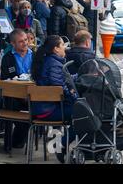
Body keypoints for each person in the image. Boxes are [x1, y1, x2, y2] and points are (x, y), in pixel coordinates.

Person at [31, 35, 78, 163]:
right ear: (56, 49)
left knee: (77, 111)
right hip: (47, 110)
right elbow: (60, 89)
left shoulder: (48, 61)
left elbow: (62, 81)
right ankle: (60, 145)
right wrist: (75, 98)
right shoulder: (54, 64)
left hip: (40, 108)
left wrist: (78, 76)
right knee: (82, 115)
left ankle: (57, 145)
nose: (65, 48)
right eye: (62, 45)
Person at [0, 29, 33, 149]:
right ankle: (13, 143)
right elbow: (5, 80)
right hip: (13, 96)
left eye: (26, 40)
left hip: (32, 96)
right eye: (21, 42)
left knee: (35, 113)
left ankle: (16, 142)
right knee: (19, 116)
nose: (25, 43)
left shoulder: (34, 55)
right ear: (13, 44)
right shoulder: (8, 58)